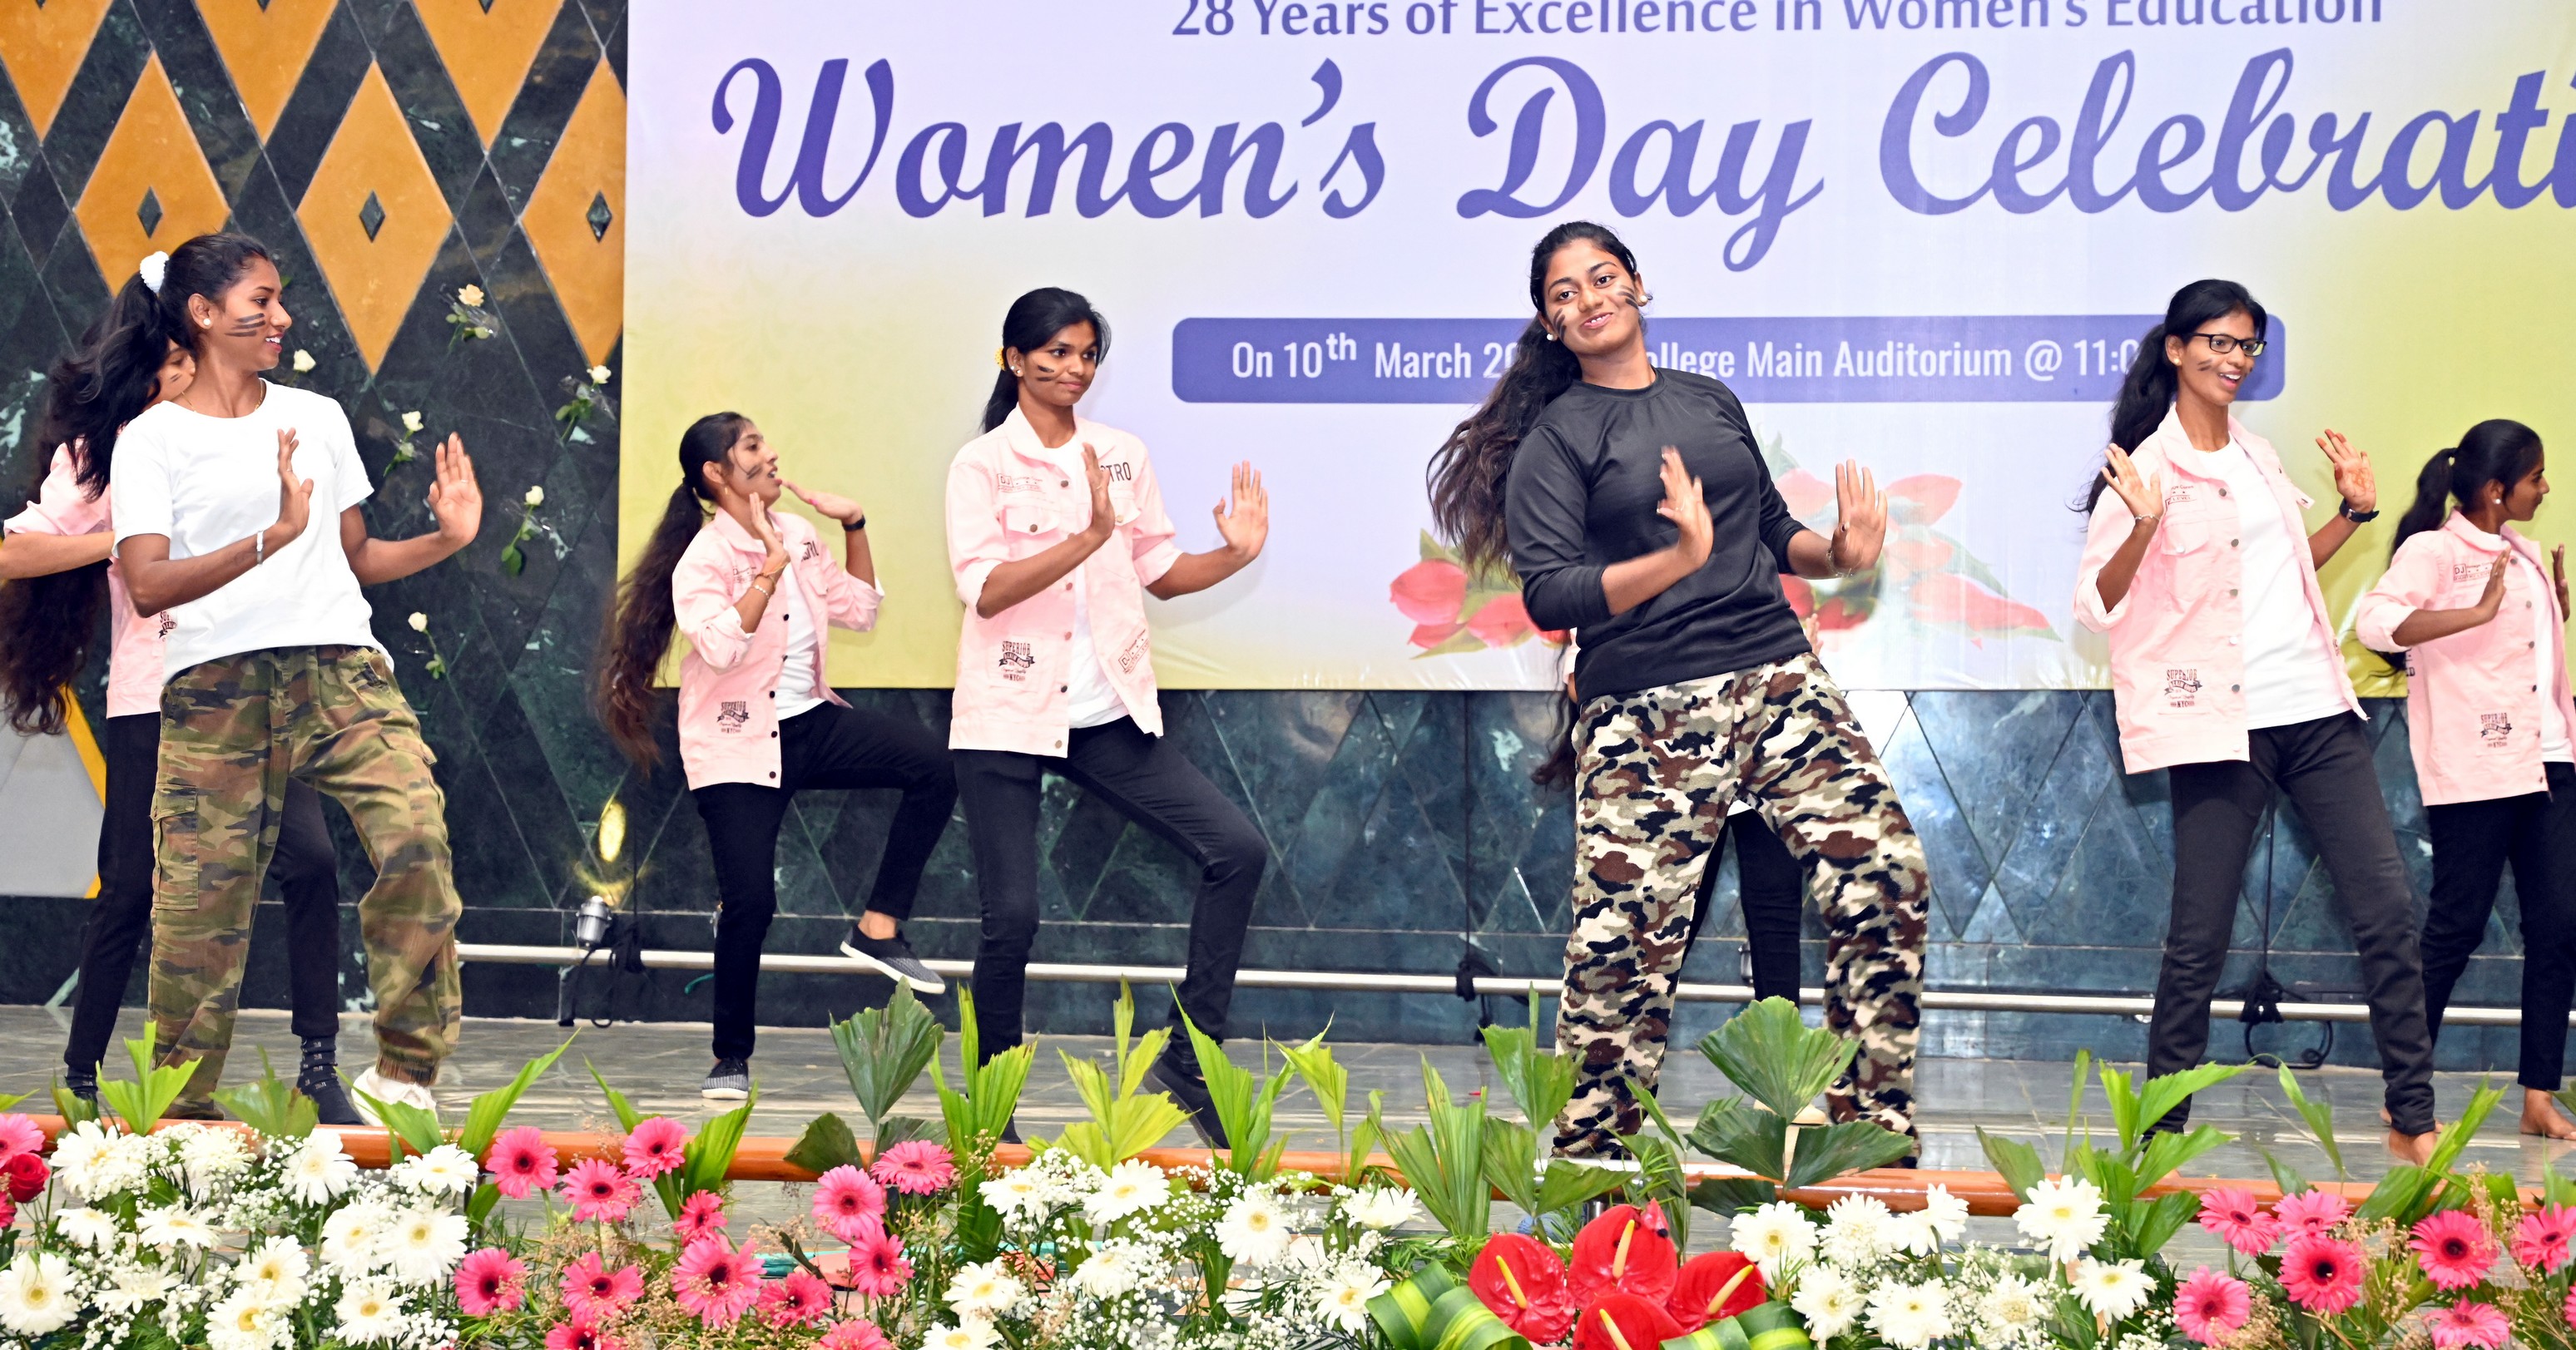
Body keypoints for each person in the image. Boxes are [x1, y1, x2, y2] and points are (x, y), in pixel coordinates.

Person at [1429, 220, 1930, 1158]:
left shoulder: (1708, 398)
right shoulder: (1556, 440)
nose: (1588, 299)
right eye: (1564, 293)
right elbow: (1551, 594)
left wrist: (1840, 553)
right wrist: (1676, 559)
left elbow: (1771, 529)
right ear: (1549, 324)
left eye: (1601, 277)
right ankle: (1595, 1166)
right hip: (1645, 707)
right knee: (1621, 954)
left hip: (1776, 674)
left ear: (1638, 283)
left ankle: (1871, 1135)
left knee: (1885, 869)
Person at [109, 231, 478, 1119]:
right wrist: (269, 537)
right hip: (217, 685)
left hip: (341, 669)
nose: (281, 316)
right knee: (200, 911)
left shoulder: (318, 416)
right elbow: (146, 582)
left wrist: (447, 538)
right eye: (262, 301)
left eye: (281, 299)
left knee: (417, 835)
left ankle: (403, 1074)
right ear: (204, 313)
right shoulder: (152, 440)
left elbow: (356, 556)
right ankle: (181, 1119)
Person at [2074, 278, 2437, 1162]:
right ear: (2176, 349)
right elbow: (2096, 603)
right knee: (2199, 938)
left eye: (2247, 346)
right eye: (2218, 342)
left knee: (2387, 910)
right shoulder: (2144, 467)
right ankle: (2160, 1136)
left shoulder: (2259, 455)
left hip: (2315, 711)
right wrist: (2143, 525)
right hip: (2220, 725)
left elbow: (2283, 574)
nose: (2234, 359)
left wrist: (2353, 514)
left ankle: (2413, 1120)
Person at [0, 256, 359, 1123]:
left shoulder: (267, 431)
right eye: (172, 365)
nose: (187, 380)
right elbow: (18, 551)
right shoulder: (117, 451)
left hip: (264, 688)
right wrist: (129, 539)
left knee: (313, 861)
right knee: (131, 885)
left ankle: (319, 1067)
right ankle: (83, 1076)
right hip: (156, 695)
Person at [946, 286, 1271, 1146]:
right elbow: (985, 591)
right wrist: (1085, 539)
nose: (1073, 368)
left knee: (1236, 850)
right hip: (1008, 714)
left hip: (1107, 712)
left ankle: (1189, 1059)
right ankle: (992, 1117)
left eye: (1086, 354)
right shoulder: (981, 464)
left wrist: (1233, 555)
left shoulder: (1123, 454)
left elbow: (1161, 571)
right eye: (1055, 352)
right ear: (1013, 359)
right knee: (1012, 918)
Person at [595, 412, 957, 1100]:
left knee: (936, 765)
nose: (771, 455)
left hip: (810, 723)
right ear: (717, 473)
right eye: (753, 447)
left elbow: (860, 610)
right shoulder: (703, 559)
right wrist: (766, 569)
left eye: (765, 443)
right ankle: (729, 1057)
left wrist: (855, 526)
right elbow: (720, 648)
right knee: (752, 901)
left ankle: (878, 928)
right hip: (734, 740)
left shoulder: (799, 533)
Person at [2354, 421, 2576, 1139]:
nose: (2545, 488)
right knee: (2456, 928)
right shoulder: (2434, 551)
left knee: (2559, 927)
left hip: (2550, 759)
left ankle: (2539, 1095)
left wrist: (2552, 610)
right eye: (2536, 477)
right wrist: (2476, 611)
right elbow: (2375, 624)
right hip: (2477, 769)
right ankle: (2405, 1092)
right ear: (2495, 488)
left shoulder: (2524, 552)